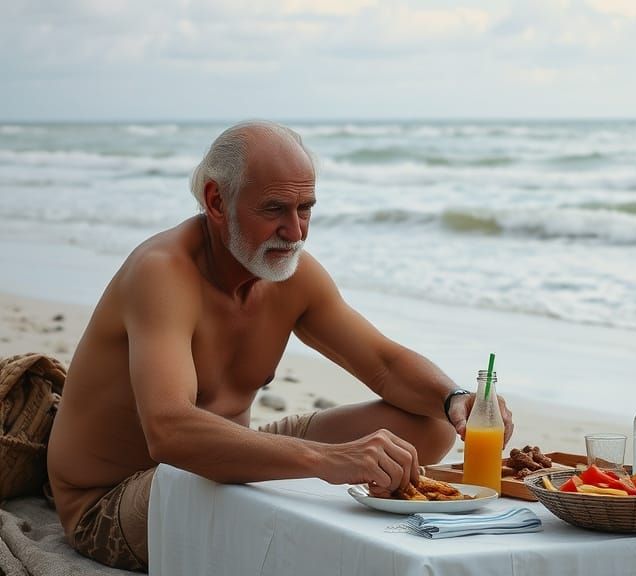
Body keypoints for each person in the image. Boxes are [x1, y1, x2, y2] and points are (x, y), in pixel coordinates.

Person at [46, 120, 514, 571]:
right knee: (276, 494)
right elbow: (169, 431)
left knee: (426, 428)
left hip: (227, 463)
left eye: (305, 208)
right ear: (216, 200)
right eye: (274, 210)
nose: (295, 232)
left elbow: (384, 363)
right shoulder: (162, 272)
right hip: (113, 500)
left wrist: (455, 400)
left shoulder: (290, 274)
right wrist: (328, 461)